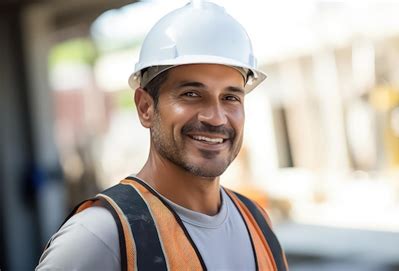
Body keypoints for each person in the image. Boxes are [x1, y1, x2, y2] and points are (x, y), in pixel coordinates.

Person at [36, 1, 288, 270]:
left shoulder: (257, 222)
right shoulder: (98, 236)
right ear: (145, 107)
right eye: (191, 94)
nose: (215, 117)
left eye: (230, 97)